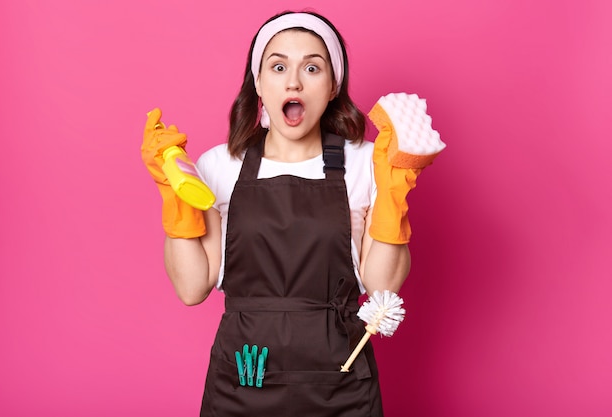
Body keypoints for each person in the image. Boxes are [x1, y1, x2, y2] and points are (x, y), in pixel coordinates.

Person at [142, 10, 418, 417]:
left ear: (332, 85)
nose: (293, 81)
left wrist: (394, 192)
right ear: (258, 83)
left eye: (311, 67)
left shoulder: (365, 164)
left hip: (341, 387)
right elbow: (191, 288)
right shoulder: (222, 165)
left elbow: (381, 284)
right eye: (278, 66)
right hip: (242, 382)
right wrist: (175, 196)